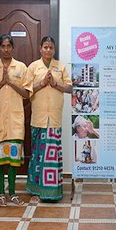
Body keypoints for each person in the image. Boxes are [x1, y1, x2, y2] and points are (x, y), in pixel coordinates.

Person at [23, 36, 72, 202]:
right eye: (45, 47)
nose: (48, 50)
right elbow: (26, 90)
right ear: (40, 48)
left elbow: (70, 88)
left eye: (51, 47)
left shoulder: (61, 67)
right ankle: (36, 190)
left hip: (55, 118)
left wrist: (55, 84)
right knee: (38, 156)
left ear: (54, 49)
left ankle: (52, 192)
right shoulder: (33, 67)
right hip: (38, 117)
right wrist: (43, 83)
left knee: (52, 155)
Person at [0, 34, 29, 207]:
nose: (6, 49)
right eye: (3, 46)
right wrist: (2, 82)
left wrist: (10, 82)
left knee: (12, 158)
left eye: (9, 46)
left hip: (15, 119)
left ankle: (12, 192)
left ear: (12, 47)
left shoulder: (21, 67)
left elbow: (26, 94)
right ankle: (1, 193)